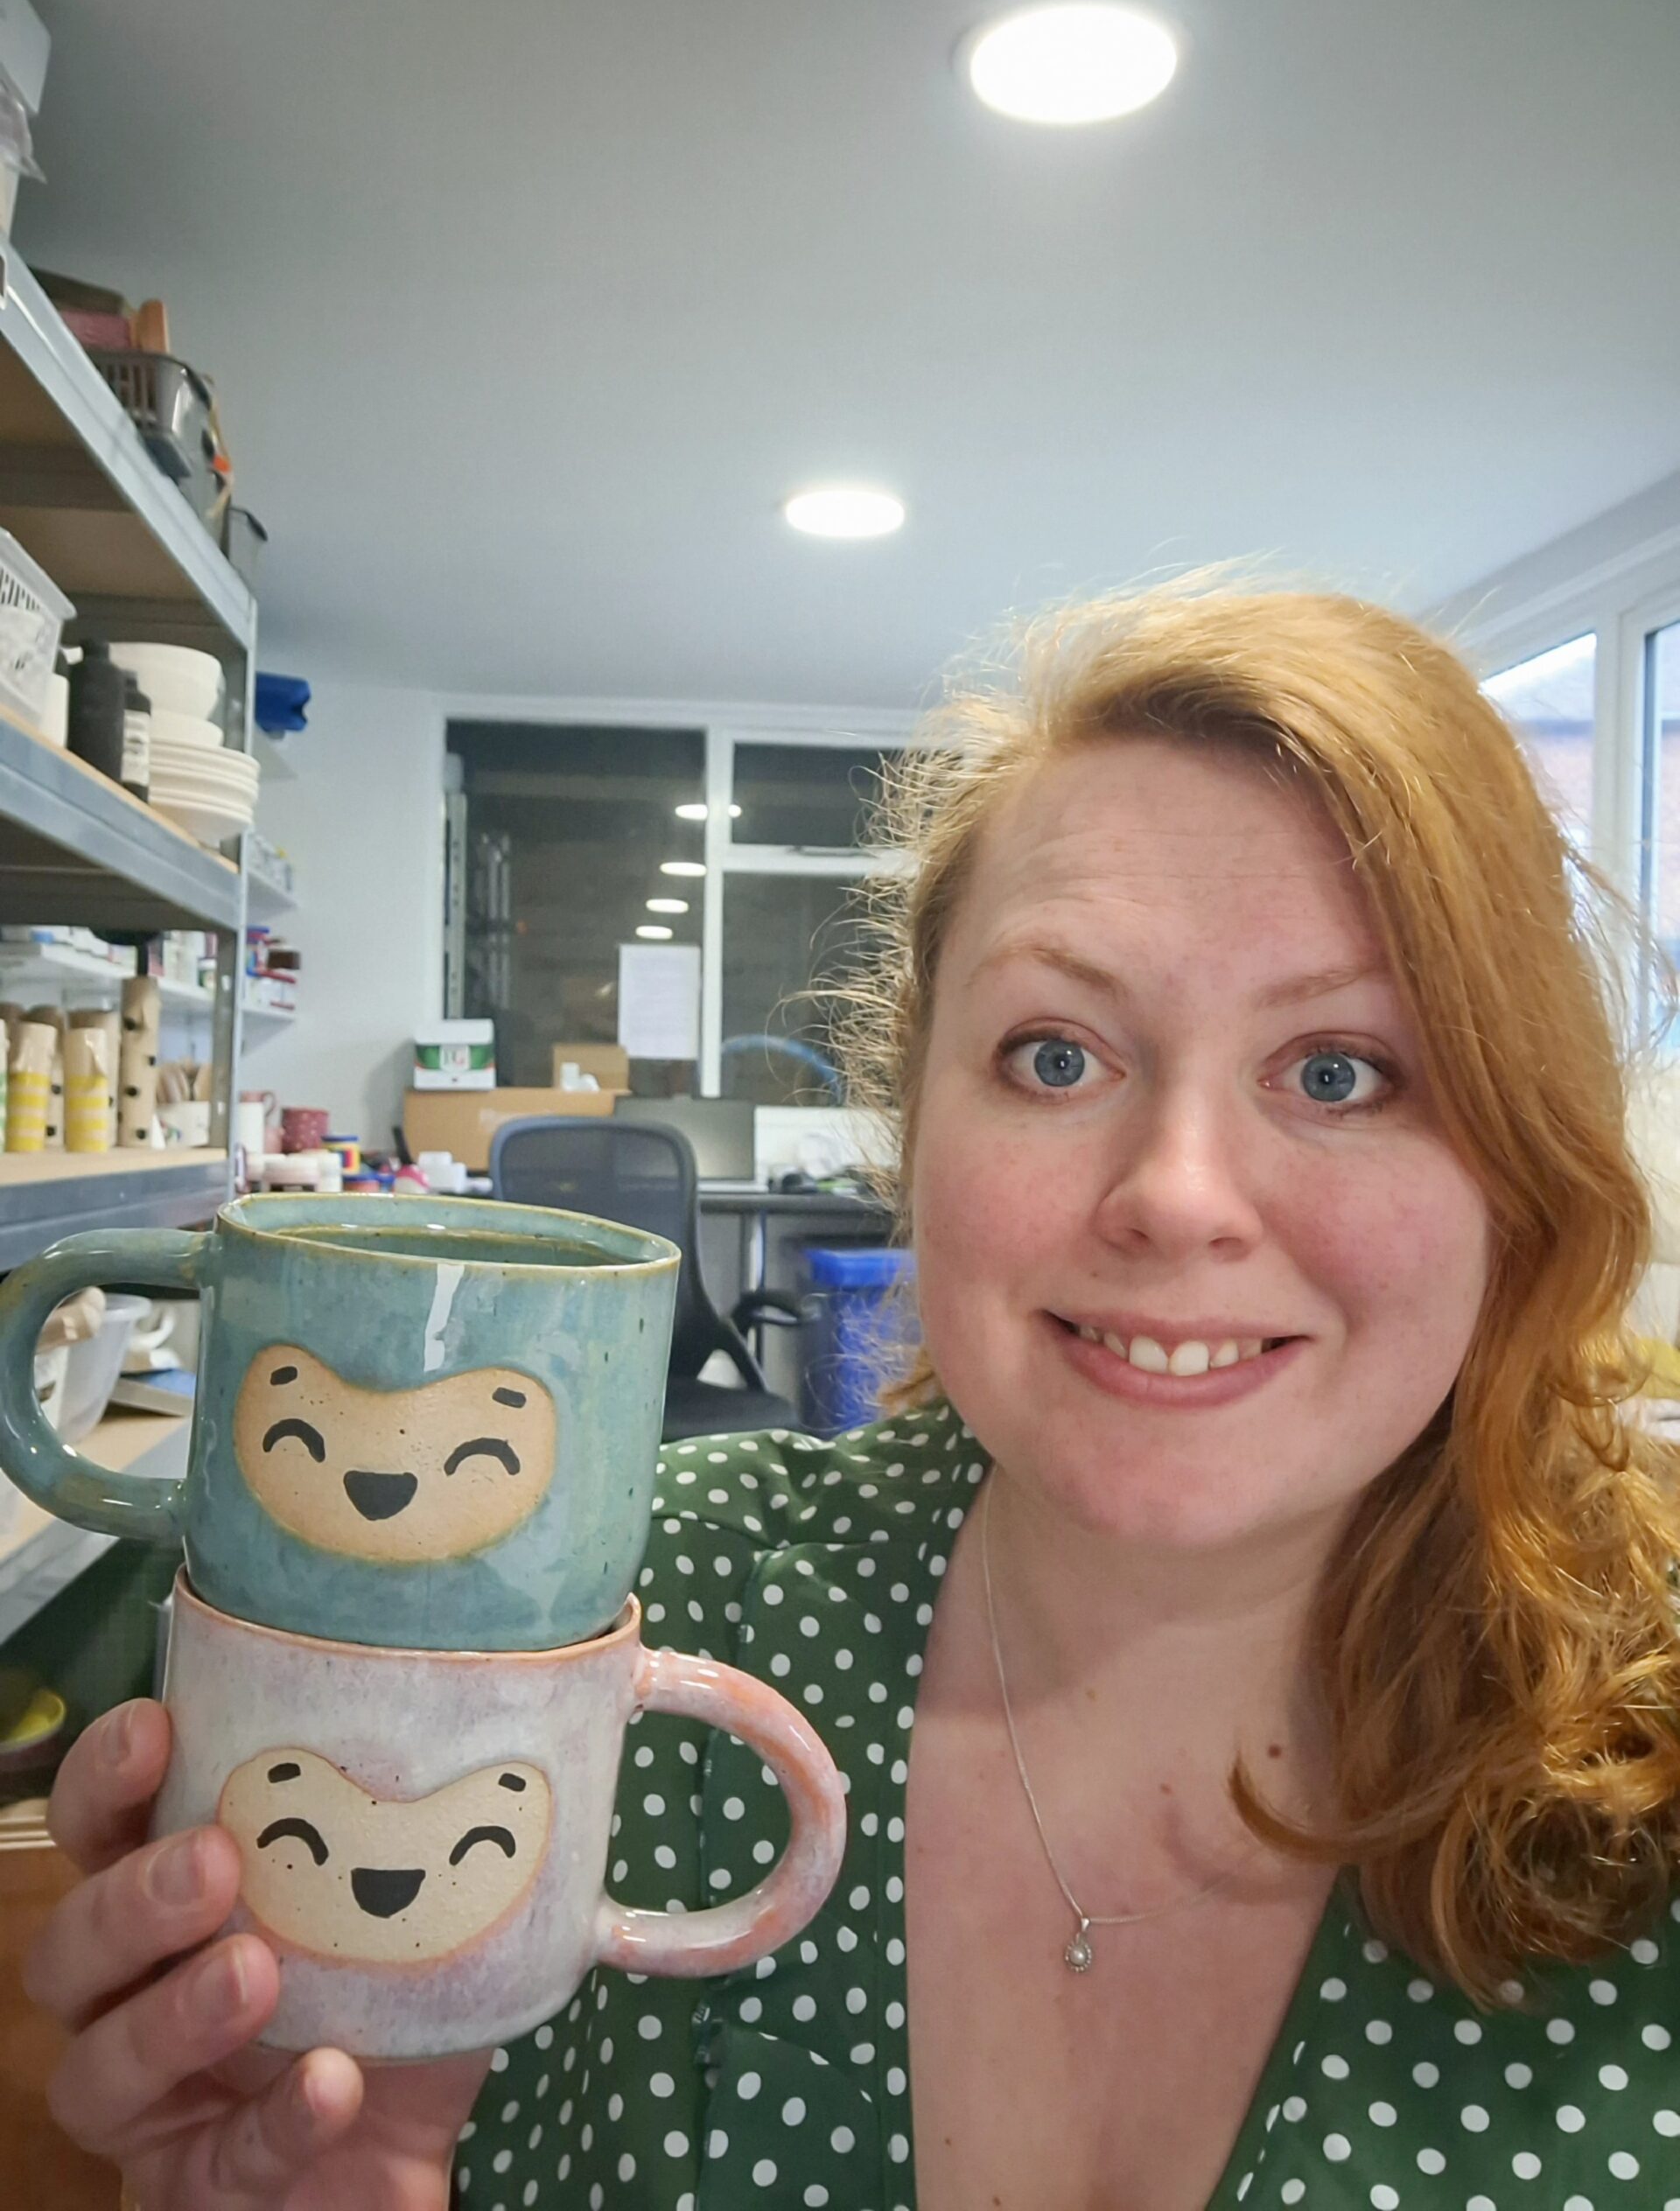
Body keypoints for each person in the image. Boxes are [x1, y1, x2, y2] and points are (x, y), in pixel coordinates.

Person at [22, 582, 1680, 2211]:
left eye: (1339, 1070)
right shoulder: (587, 1616)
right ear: (914, 1126)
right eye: (1056, 1053)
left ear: (1516, 1164)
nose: (1179, 1196)